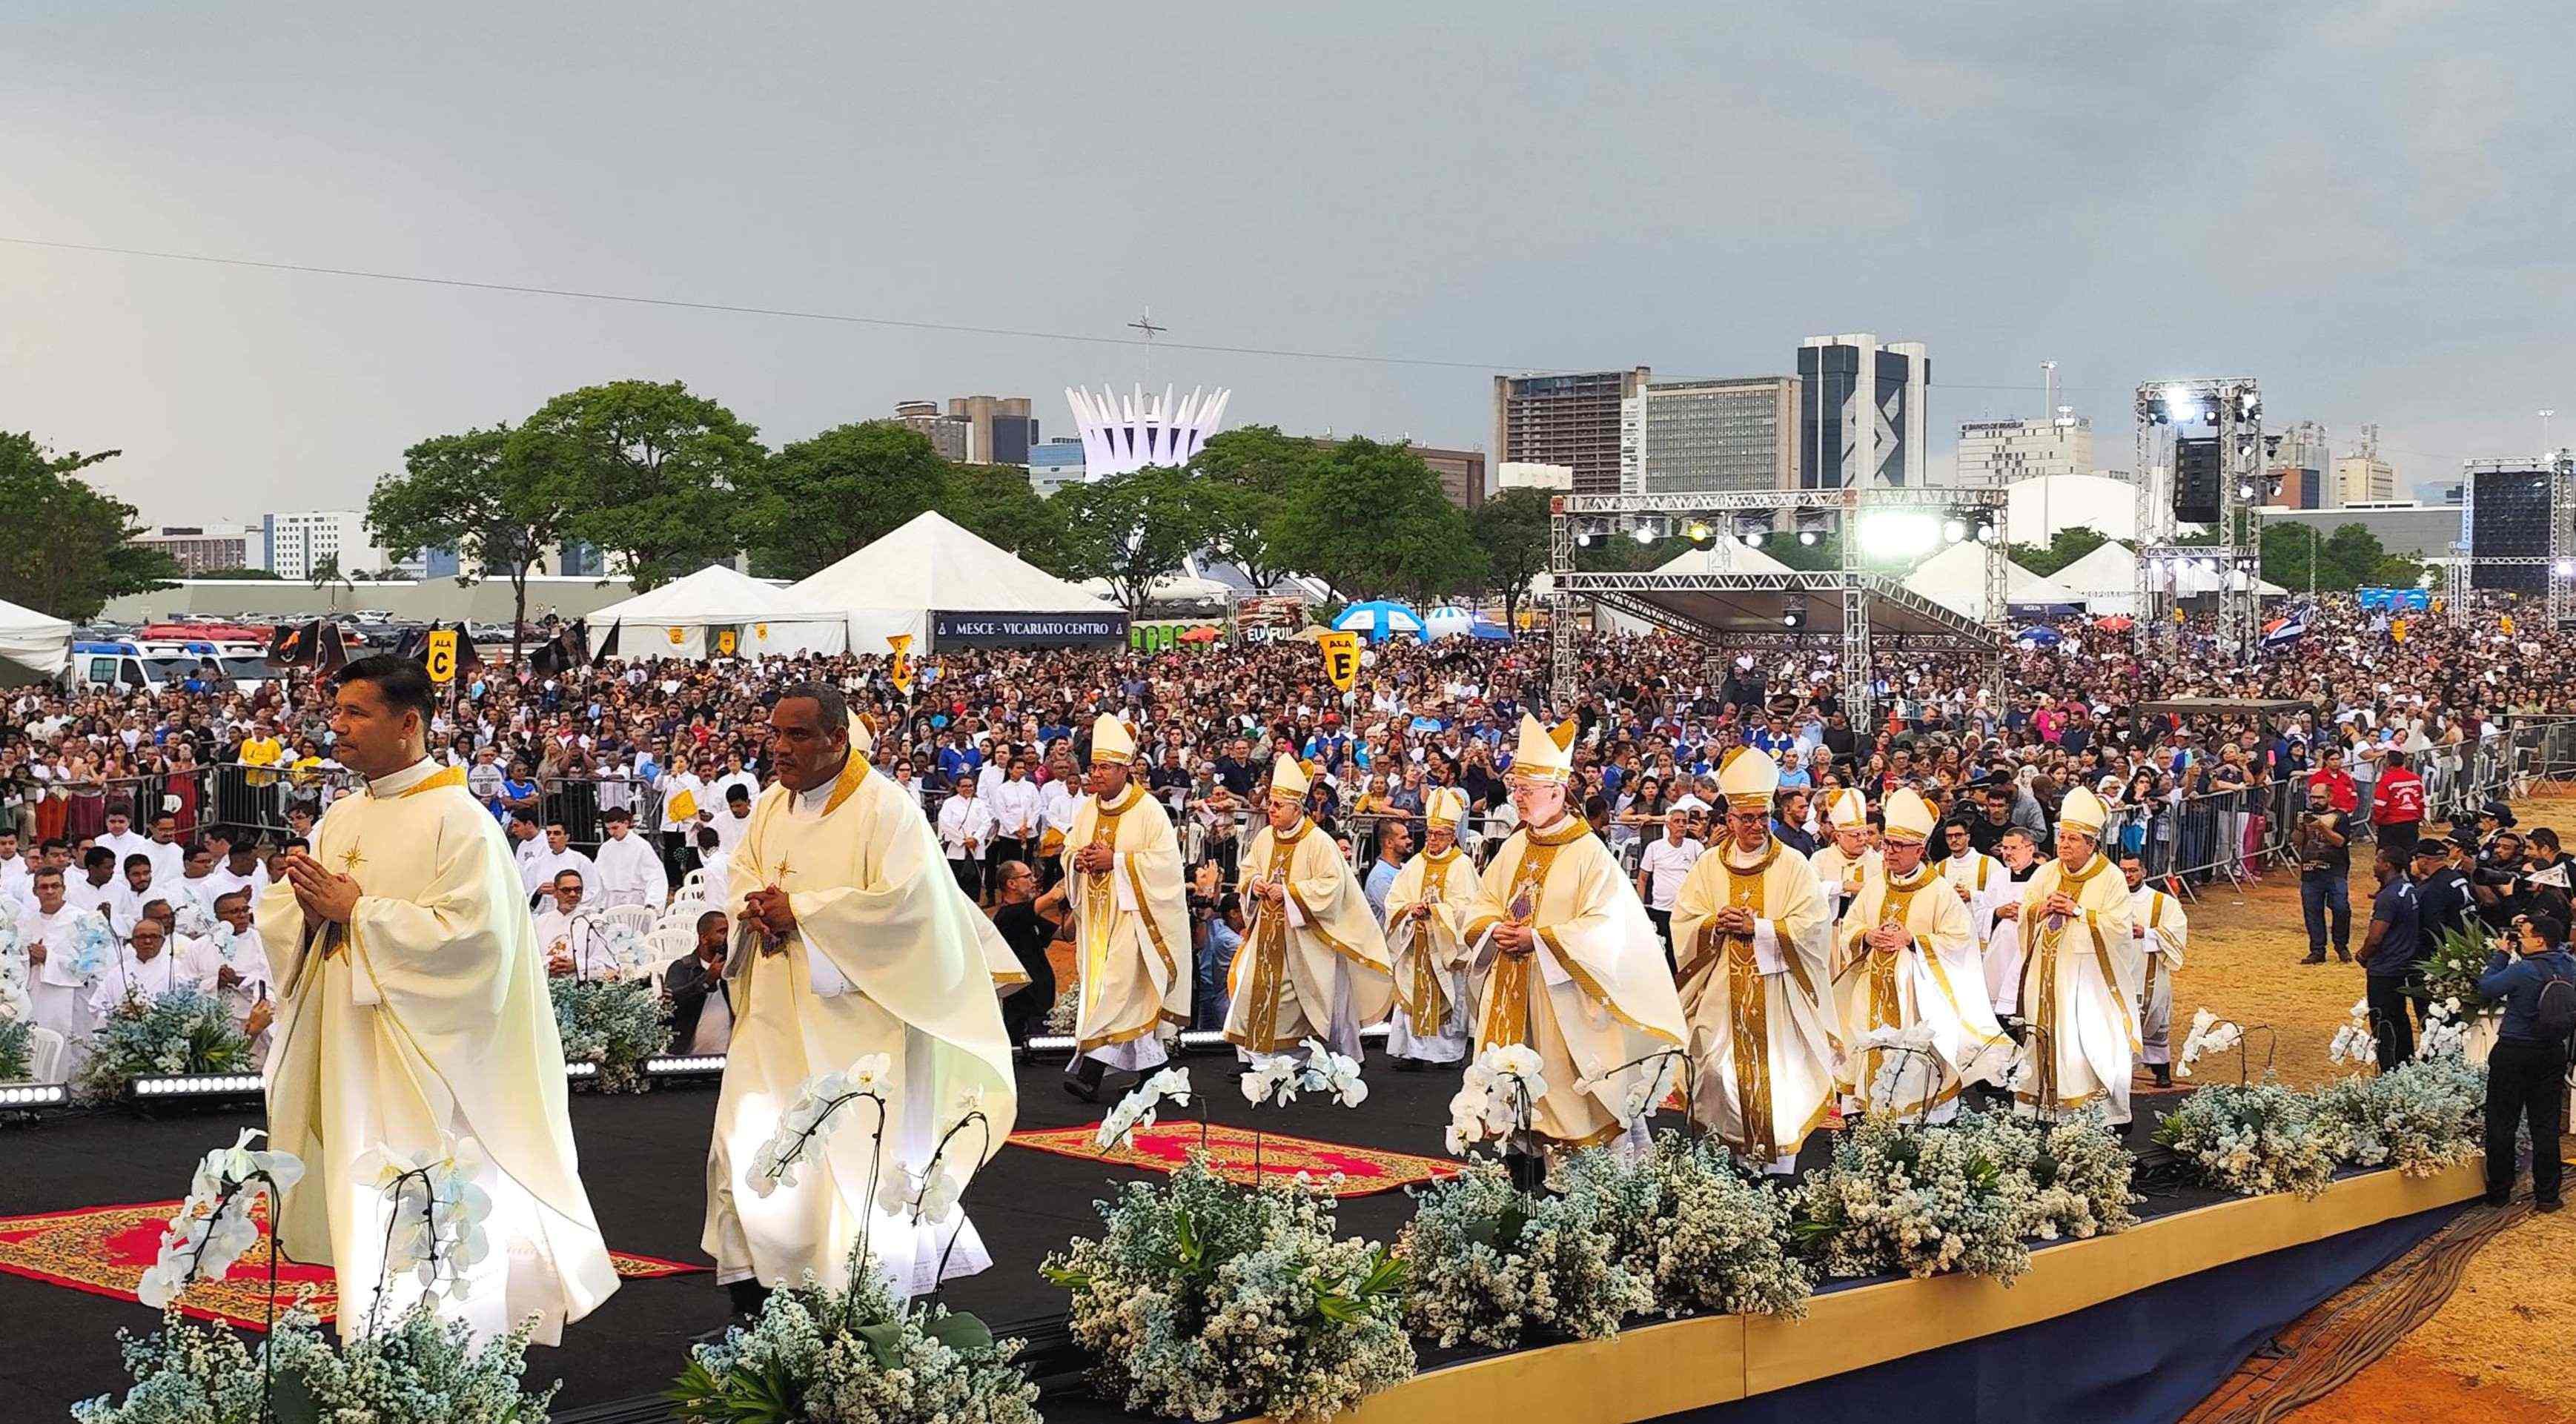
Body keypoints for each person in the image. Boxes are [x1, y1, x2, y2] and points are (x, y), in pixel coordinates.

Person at [258, 654, 618, 1345]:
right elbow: (297, 912)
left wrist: (358, 913)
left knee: (425, 1196)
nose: (336, 726)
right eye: (336, 711)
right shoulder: (342, 814)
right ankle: (372, 1335)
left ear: (409, 722)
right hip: (350, 1040)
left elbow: (475, 942)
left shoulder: (461, 821)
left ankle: (454, 1346)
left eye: (355, 712)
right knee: (364, 1200)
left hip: (428, 1049)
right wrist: (303, 909)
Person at [705, 686, 1019, 1317]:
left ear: (835, 738)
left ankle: (858, 1310)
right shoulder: (770, 804)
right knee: (741, 1146)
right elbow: (743, 872)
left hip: (853, 1027)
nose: (780, 749)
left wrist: (810, 914)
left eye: (796, 736)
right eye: (775, 734)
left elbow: (909, 909)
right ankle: (758, 1301)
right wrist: (758, 907)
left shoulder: (886, 809)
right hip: (771, 1014)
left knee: (842, 1167)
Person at [1457, 715, 1686, 1169]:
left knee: (1568, 1099)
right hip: (1514, 987)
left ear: (1558, 793)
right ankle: (1523, 1167)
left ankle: (1586, 1182)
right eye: (1515, 787)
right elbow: (1480, 901)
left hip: (1563, 999)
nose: (1517, 798)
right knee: (1517, 1101)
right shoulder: (1515, 846)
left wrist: (1540, 940)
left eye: (1527, 790)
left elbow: (1608, 925)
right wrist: (1491, 927)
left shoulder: (1589, 853)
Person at [1670, 748, 1836, 1172]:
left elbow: (1815, 926)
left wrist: (1760, 929)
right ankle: (1729, 1163)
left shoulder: (1794, 865)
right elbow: (1684, 920)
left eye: (1762, 817)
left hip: (1778, 993)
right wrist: (1713, 924)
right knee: (1716, 1072)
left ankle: (1779, 1171)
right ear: (1729, 820)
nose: (1756, 827)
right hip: (1722, 991)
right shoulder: (1709, 865)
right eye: (1746, 818)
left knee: (1780, 1078)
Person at [1830, 789, 2010, 1123]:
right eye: (1887, 844)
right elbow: (1850, 928)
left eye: (1899, 846)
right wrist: (1867, 936)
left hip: (1916, 998)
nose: (1890, 852)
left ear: (1920, 849)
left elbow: (1960, 940)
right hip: (1872, 991)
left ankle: (1914, 1123)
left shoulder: (1939, 892)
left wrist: (1914, 940)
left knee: (1913, 1079)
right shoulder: (1876, 886)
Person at [1224, 755, 1393, 1061]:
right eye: (1270, 804)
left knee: (1304, 996)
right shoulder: (1264, 837)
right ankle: (1260, 1059)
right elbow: (1248, 871)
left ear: (1296, 807)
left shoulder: (1319, 842)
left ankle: (1302, 1059)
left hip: (1306, 937)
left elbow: (1332, 886)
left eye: (1277, 805)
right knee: (1254, 988)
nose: (1270, 810)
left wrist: (1289, 892)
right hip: (1267, 932)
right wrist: (1256, 884)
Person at [1059, 715, 1191, 1102]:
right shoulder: (1087, 809)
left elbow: (1166, 865)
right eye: (1094, 766)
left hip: (1136, 920)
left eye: (1104, 768)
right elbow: (1071, 847)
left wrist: (1115, 860)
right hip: (1099, 921)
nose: (1095, 774)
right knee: (1118, 995)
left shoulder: (1149, 811)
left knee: (1117, 989)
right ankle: (1159, 1075)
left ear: (1125, 769)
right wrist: (1078, 861)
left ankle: (1090, 1072)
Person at [2012, 786, 2139, 1125]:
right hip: (2047, 971)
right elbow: (2026, 910)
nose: (2063, 845)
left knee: (2084, 1039)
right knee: (2044, 1032)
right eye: (2061, 838)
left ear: (2091, 843)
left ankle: (2094, 1109)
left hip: (2089, 979)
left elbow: (2119, 929)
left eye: (2072, 839)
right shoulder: (2048, 871)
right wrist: (2040, 908)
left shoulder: (2111, 878)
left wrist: (2078, 911)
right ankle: (2041, 1105)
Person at [1382, 786, 1486, 1070]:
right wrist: (1409, 908)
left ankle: (1445, 1054)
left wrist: (1435, 911)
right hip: (1415, 943)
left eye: (1439, 835)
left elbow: (1467, 907)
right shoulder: (1416, 863)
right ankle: (1413, 1052)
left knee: (1448, 994)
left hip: (1444, 947)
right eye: (1429, 834)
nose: (1432, 840)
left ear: (1452, 836)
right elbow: (1395, 899)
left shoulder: (1462, 865)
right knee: (1411, 993)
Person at [2476, 912, 2572, 1211]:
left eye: (2525, 935)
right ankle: (2548, 1195)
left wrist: (2501, 955)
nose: (2520, 940)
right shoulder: (2571, 965)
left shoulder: (2524, 971)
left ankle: (2500, 1191)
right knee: (2545, 1123)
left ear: (2540, 940)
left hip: (2515, 1051)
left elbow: (2487, 988)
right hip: (2553, 1051)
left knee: (2502, 1121)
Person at [14, 866, 103, 1079]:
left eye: (55, 886)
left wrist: (49, 958)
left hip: (70, 996)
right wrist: (29, 959)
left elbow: (92, 964)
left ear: (64, 888)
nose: (50, 891)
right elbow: (15, 963)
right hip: (35, 992)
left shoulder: (84, 920)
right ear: (35, 892)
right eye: (44, 887)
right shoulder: (27, 923)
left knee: (69, 1046)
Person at [2122, 852, 2188, 1088]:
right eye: (2124, 871)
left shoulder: (2163, 903)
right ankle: (2121, 1074)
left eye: (2133, 870)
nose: (2128, 875)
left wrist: (2148, 933)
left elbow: (2178, 932)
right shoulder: (2111, 900)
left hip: (2149, 972)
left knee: (2155, 1021)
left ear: (2144, 872)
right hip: (2119, 971)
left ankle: (2162, 1071)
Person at [2357, 842, 2425, 1068]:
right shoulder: (2408, 888)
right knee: (2400, 1019)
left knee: (2384, 1022)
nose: (2375, 865)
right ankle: (2405, 1063)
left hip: (2385, 967)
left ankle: (2389, 1068)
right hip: (2403, 963)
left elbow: (2376, 936)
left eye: (2378, 861)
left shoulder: (2388, 896)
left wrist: (2363, 955)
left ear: (2387, 865)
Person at [988, 861, 1063, 1047]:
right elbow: (1053, 897)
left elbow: (1065, 934)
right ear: (1011, 884)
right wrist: (1073, 878)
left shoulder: (1029, 916)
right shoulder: (1007, 916)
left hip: (1040, 998)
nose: (1033, 881)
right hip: (1023, 1004)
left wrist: (1074, 910)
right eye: (1028, 877)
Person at [1635, 810, 1702, 967]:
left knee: (1685, 954)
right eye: (1677, 821)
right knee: (1664, 956)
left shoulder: (1695, 846)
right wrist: (1640, 907)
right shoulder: (1654, 847)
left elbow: (1705, 872)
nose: (1681, 825)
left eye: (1684, 822)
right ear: (1668, 825)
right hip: (1661, 909)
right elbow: (1643, 879)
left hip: (1686, 910)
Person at [663, 909, 735, 1056]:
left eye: (729, 932)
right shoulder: (682, 967)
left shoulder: (735, 968)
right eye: (722, 932)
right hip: (687, 1060)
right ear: (704, 938)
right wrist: (707, 980)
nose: (727, 937)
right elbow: (672, 1001)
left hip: (731, 1059)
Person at [1808, 788, 1878, 937]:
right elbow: (1809, 891)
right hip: (1827, 932)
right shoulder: (1821, 858)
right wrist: (1842, 886)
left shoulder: (1878, 861)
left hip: (1863, 933)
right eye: (1855, 835)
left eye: (1864, 833)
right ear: (1839, 836)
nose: (1862, 839)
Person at [2292, 796, 2352, 964]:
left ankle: (2341, 946)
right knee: (2312, 912)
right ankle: (2317, 950)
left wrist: (2321, 827)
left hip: (2335, 871)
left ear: (2330, 797)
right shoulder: (2306, 815)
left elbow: (2340, 841)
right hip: (2310, 871)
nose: (2315, 800)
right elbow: (2296, 841)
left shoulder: (2340, 816)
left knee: (2341, 908)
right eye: (2312, 797)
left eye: (2319, 797)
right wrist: (2300, 827)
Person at [592, 807, 669, 910]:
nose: (611, 833)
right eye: (608, 829)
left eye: (615, 828)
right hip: (611, 902)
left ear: (626, 823)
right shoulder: (605, 848)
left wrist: (653, 902)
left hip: (636, 902)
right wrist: (598, 904)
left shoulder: (641, 846)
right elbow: (596, 878)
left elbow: (656, 876)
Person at [520, 821, 600, 910]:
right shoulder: (539, 862)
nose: (551, 837)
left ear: (566, 837)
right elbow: (529, 891)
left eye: (556, 833)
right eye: (548, 834)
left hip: (573, 912)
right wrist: (539, 891)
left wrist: (562, 892)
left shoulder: (580, 861)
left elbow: (593, 891)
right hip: (546, 913)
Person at [2371, 749, 2424, 860]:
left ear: (2388, 763)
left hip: (2390, 825)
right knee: (2409, 856)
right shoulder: (2416, 779)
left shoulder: (2386, 780)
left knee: (2387, 858)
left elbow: (2380, 806)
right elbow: (2421, 803)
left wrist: (2377, 822)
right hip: (2411, 823)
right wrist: (2418, 818)